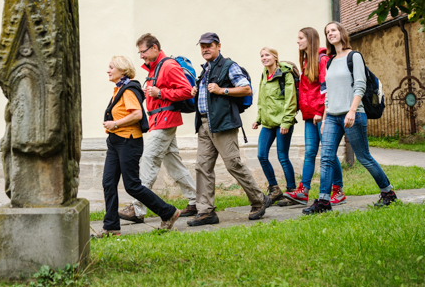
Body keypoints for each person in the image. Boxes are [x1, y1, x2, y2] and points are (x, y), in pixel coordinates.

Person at [304, 22, 398, 214]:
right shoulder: (330, 61)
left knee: (364, 157)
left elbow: (360, 85)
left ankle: (388, 193)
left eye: (333, 30)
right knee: (327, 157)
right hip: (332, 117)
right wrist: (324, 116)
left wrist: (352, 111)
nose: (330, 34)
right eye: (327, 32)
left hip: (353, 114)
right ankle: (323, 201)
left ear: (341, 33)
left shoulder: (354, 56)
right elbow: (328, 92)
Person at [188, 33, 270, 226]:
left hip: (223, 124)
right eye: (202, 46)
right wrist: (196, 91)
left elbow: (246, 88)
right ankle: (205, 211)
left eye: (209, 45)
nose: (205, 49)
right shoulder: (206, 70)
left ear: (218, 46)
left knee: (233, 164)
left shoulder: (228, 66)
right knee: (202, 167)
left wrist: (221, 90)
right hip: (204, 124)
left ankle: (259, 200)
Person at [96, 56, 181, 237]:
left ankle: (169, 212)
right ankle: (111, 226)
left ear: (122, 70)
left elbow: (136, 114)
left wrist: (116, 124)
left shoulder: (128, 90)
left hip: (128, 142)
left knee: (132, 185)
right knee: (108, 183)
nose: (108, 70)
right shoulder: (118, 89)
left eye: (111, 67)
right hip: (115, 142)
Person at [119, 34, 199, 224]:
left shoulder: (168, 65)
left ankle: (138, 209)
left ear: (154, 48)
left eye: (143, 52)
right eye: (139, 53)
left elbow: (187, 91)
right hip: (159, 120)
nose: (141, 56)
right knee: (174, 164)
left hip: (165, 120)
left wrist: (160, 92)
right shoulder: (154, 68)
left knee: (148, 160)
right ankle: (196, 201)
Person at [284, 28, 346, 205]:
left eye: (301, 38)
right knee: (310, 152)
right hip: (309, 116)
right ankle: (303, 191)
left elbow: (327, 88)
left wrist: (321, 112)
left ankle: (338, 191)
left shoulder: (322, 59)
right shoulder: (306, 61)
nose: (298, 41)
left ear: (310, 39)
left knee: (328, 153)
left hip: (320, 114)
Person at [250, 48, 298, 205]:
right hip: (268, 123)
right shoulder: (264, 73)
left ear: (275, 57)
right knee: (261, 155)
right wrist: (258, 119)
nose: (264, 58)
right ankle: (275, 189)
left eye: (267, 55)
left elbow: (291, 99)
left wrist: (286, 121)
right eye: (262, 56)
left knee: (282, 156)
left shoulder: (285, 74)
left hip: (282, 122)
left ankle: (292, 192)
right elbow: (262, 99)